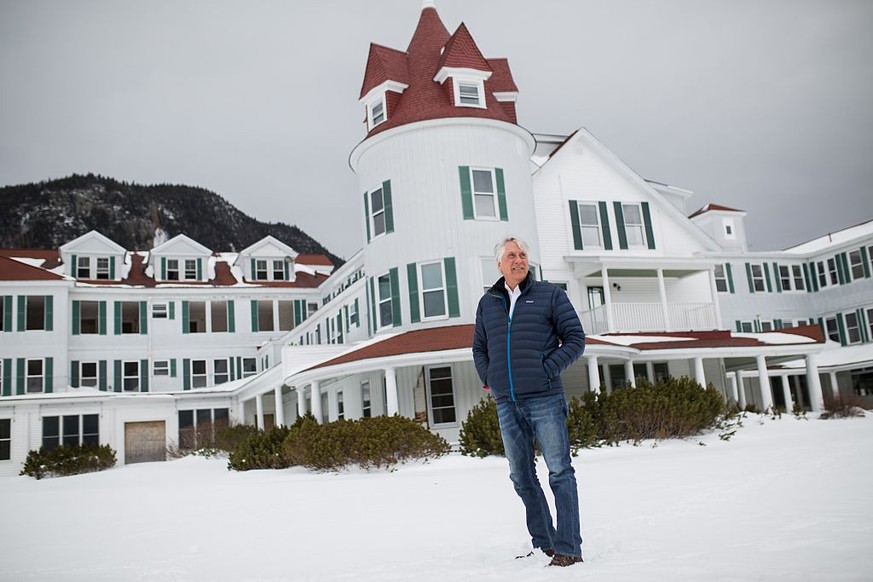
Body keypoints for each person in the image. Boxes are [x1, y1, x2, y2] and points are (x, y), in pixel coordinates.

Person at [472, 236, 586, 567]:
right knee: (521, 476)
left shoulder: (550, 295)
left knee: (559, 471)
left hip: (545, 397)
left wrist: (546, 369)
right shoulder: (488, 302)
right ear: (499, 264)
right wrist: (489, 377)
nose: (518, 260)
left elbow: (575, 340)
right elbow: (480, 347)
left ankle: (568, 548)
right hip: (506, 401)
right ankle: (544, 543)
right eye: (511, 255)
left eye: (522, 255)